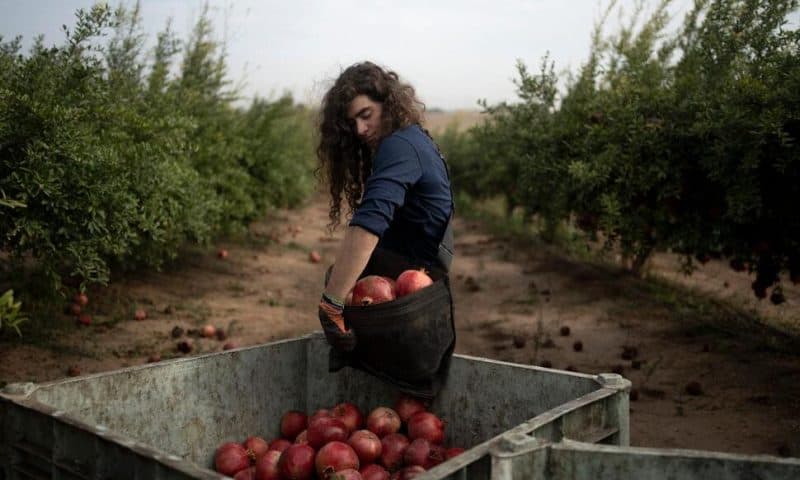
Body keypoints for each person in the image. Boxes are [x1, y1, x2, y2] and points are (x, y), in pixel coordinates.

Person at [316, 61, 454, 353]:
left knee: (338, 287)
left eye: (366, 115)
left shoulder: (401, 145)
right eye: (352, 123)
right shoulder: (412, 139)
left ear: (388, 104)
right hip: (410, 280)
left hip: (410, 289)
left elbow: (370, 220)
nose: (361, 129)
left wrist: (332, 303)